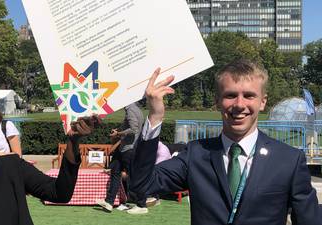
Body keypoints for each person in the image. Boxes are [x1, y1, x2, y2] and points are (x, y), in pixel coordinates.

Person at [131, 60, 321, 225]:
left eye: (249, 95)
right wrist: (155, 117)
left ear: (262, 102)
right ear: (217, 101)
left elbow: (308, 220)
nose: (239, 104)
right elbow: (141, 186)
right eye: (230, 95)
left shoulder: (289, 159)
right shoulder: (195, 154)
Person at [96, 102, 146, 214]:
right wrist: (119, 131)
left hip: (129, 149)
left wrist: (118, 134)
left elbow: (134, 130)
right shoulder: (134, 109)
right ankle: (109, 202)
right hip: (124, 148)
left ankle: (142, 204)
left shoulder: (131, 110)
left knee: (133, 177)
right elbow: (131, 127)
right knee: (115, 172)